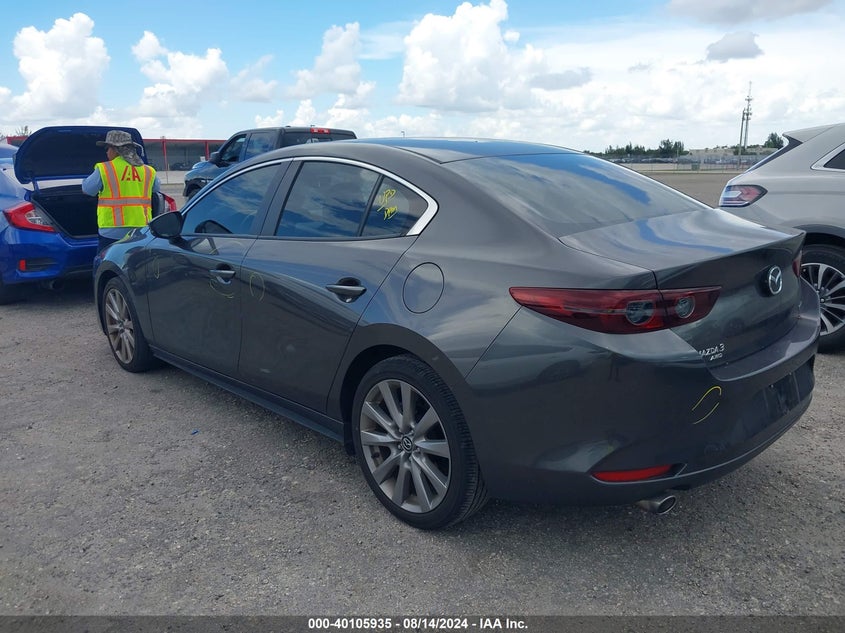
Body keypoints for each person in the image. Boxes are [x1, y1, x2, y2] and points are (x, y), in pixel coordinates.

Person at [82, 129, 160, 250]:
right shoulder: (149, 171)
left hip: (112, 231)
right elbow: (155, 190)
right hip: (141, 230)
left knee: (107, 260)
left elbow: (87, 190)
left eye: (108, 148)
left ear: (116, 149)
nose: (107, 152)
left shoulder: (105, 168)